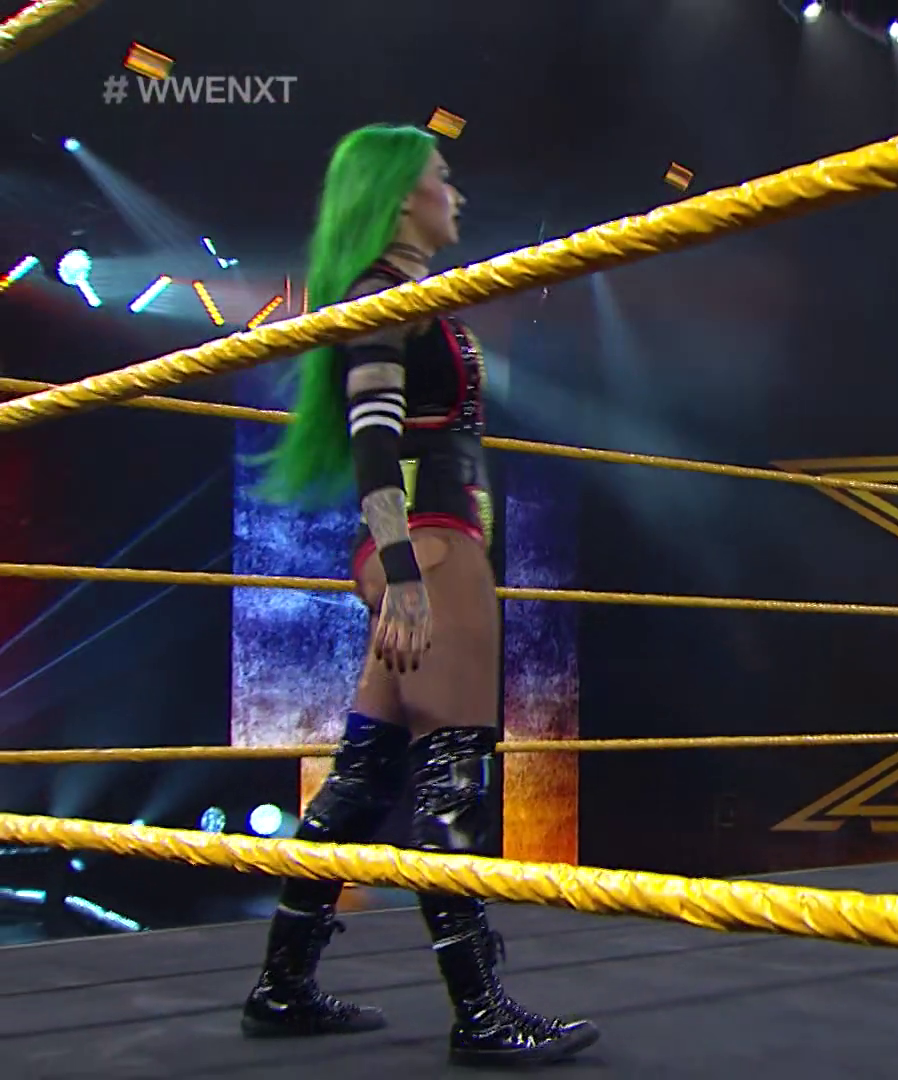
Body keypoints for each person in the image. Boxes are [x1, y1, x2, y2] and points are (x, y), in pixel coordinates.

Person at [241, 123, 599, 1067]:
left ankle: (282, 984)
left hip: (426, 542)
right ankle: (480, 1012)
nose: (458, 194)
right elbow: (374, 437)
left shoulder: (399, 296)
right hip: (432, 545)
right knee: (452, 774)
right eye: (444, 177)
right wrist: (403, 572)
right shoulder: (383, 298)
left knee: (364, 778)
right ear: (404, 195)